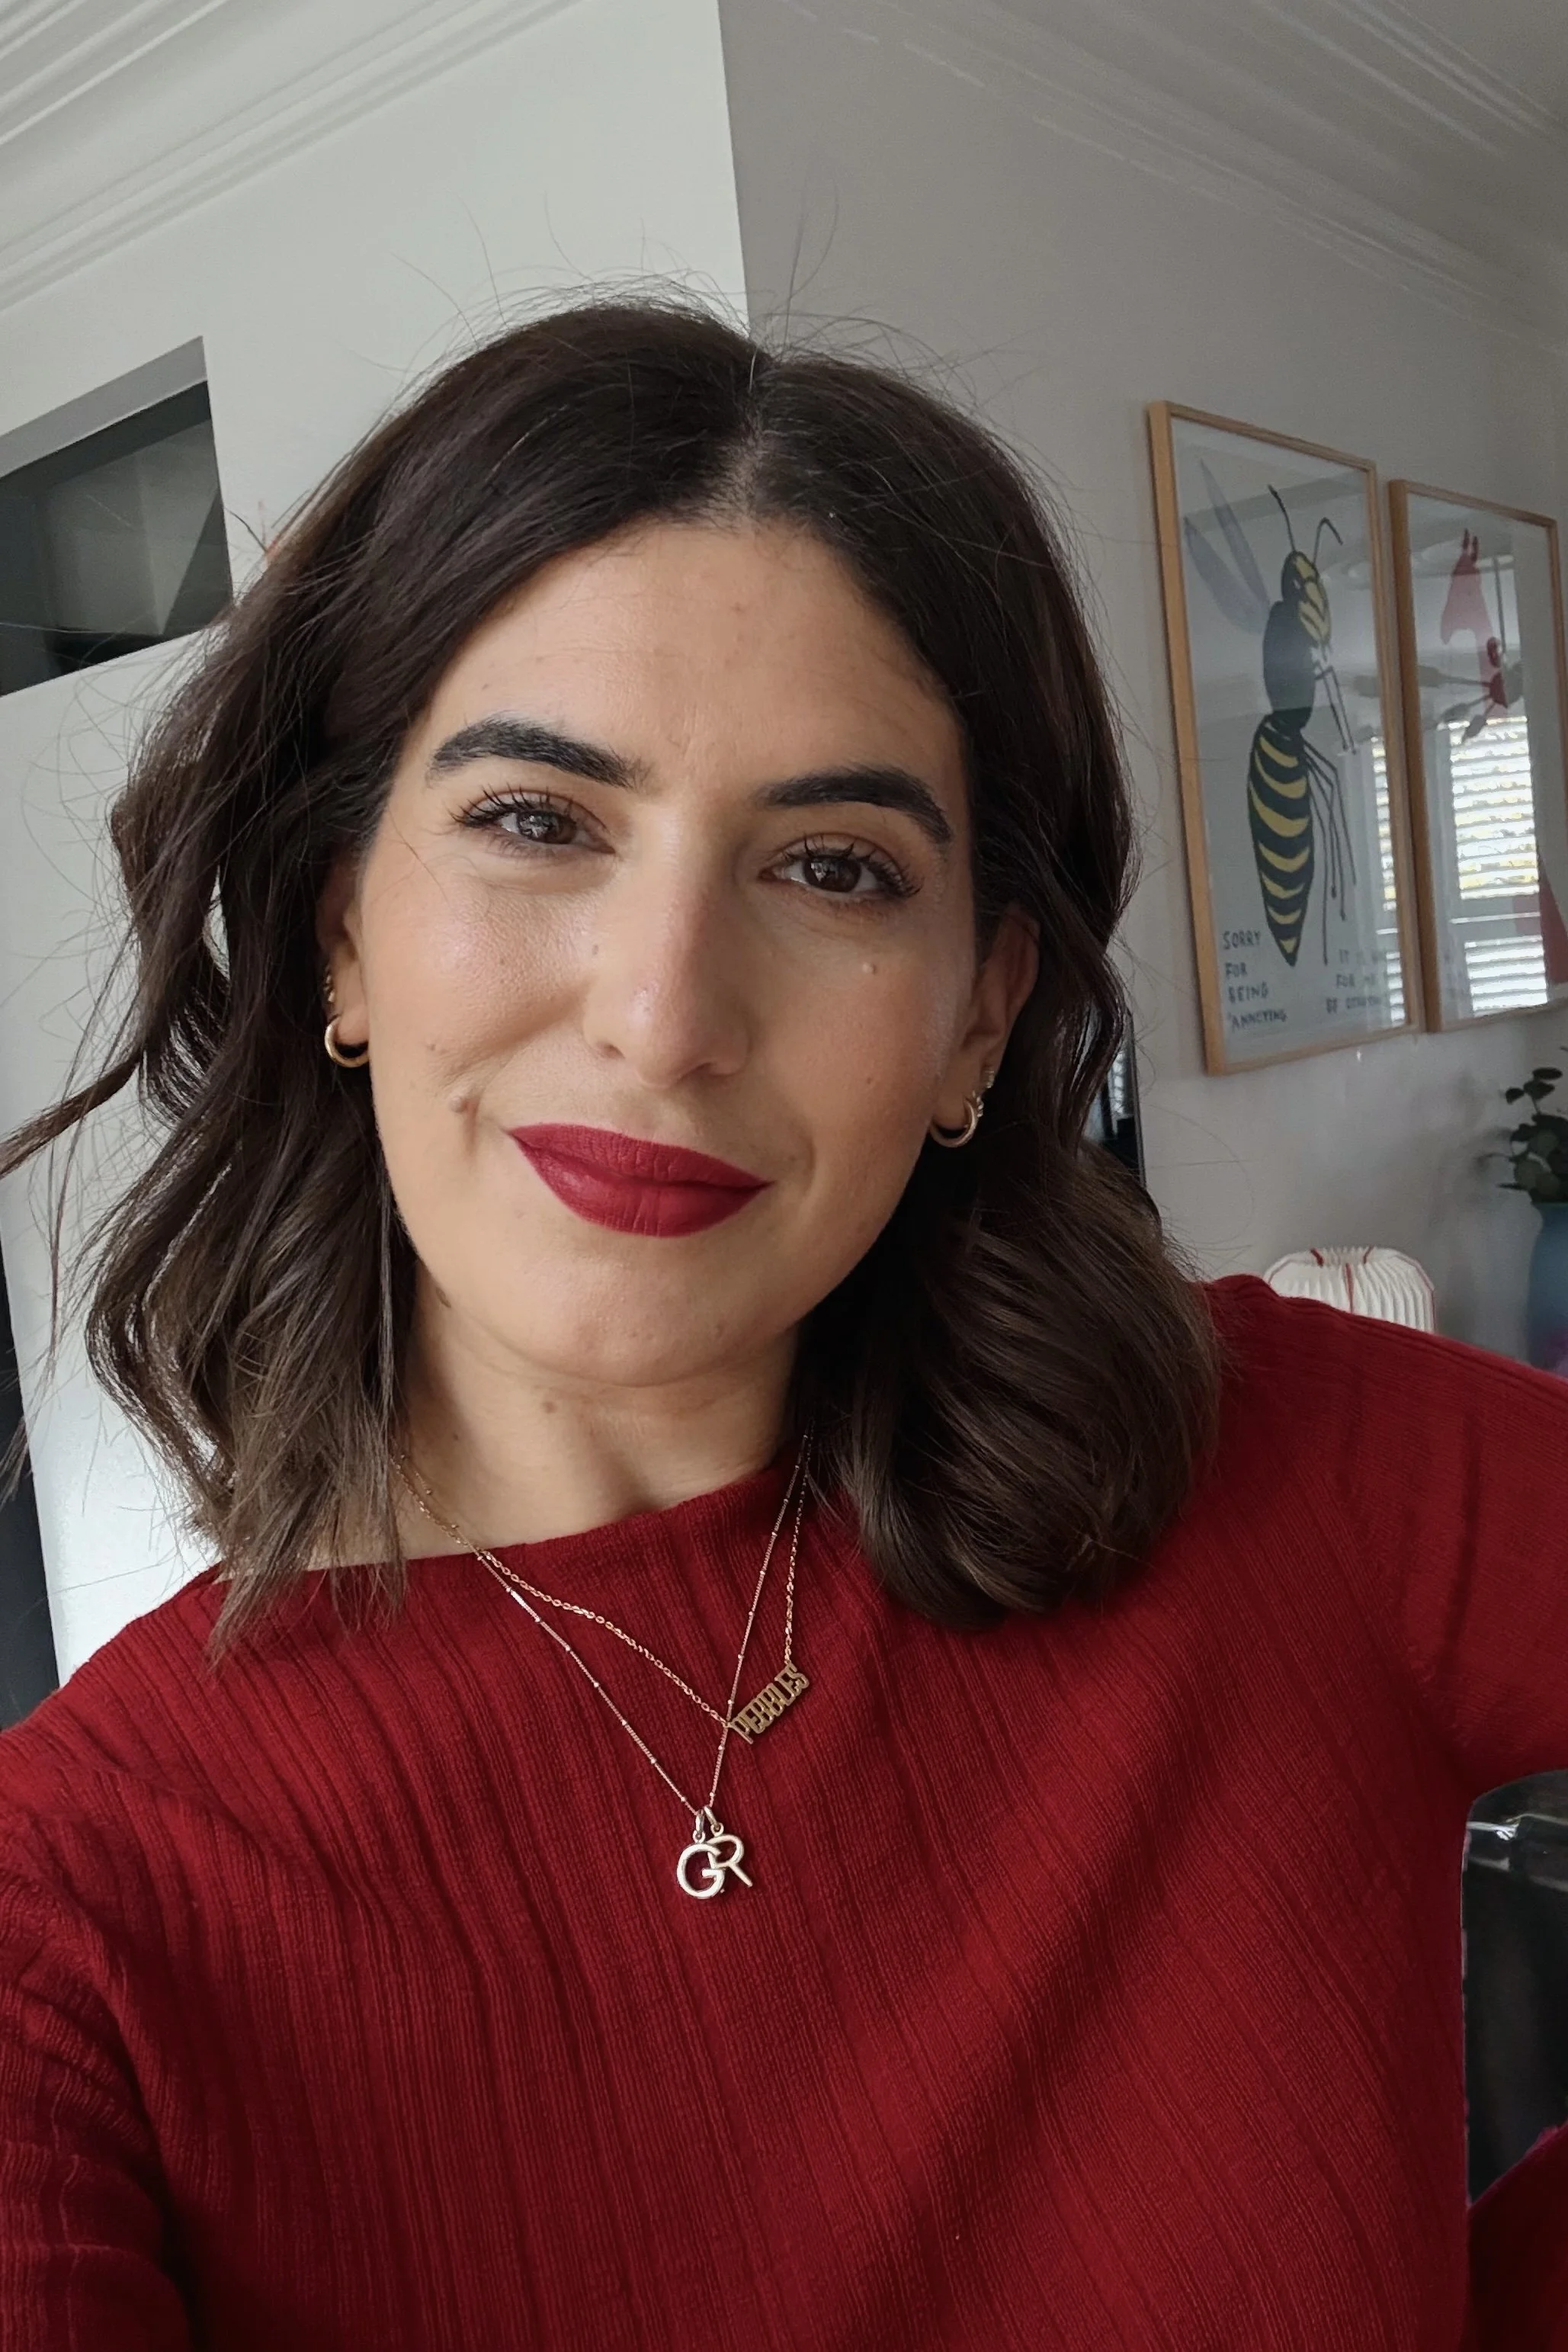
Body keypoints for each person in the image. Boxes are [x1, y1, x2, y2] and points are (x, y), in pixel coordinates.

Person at [0, 294, 1563, 2352]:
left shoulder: (1296, 1463)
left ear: (980, 1016)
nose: (667, 1016)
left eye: (833, 867)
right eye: (536, 820)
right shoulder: (77, 1927)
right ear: (341, 932)